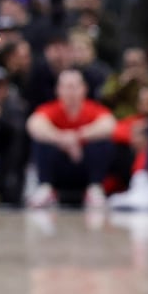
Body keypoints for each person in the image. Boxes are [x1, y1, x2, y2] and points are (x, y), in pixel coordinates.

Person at [25, 69, 117, 214]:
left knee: (103, 142)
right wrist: (62, 138)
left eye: (75, 86)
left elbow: (109, 125)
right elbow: (34, 124)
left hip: (84, 166)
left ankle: (94, 188)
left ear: (84, 89)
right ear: (58, 90)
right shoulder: (50, 109)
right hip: (59, 167)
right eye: (67, 87)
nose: (71, 92)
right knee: (41, 141)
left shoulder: (93, 109)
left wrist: (78, 137)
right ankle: (46, 188)